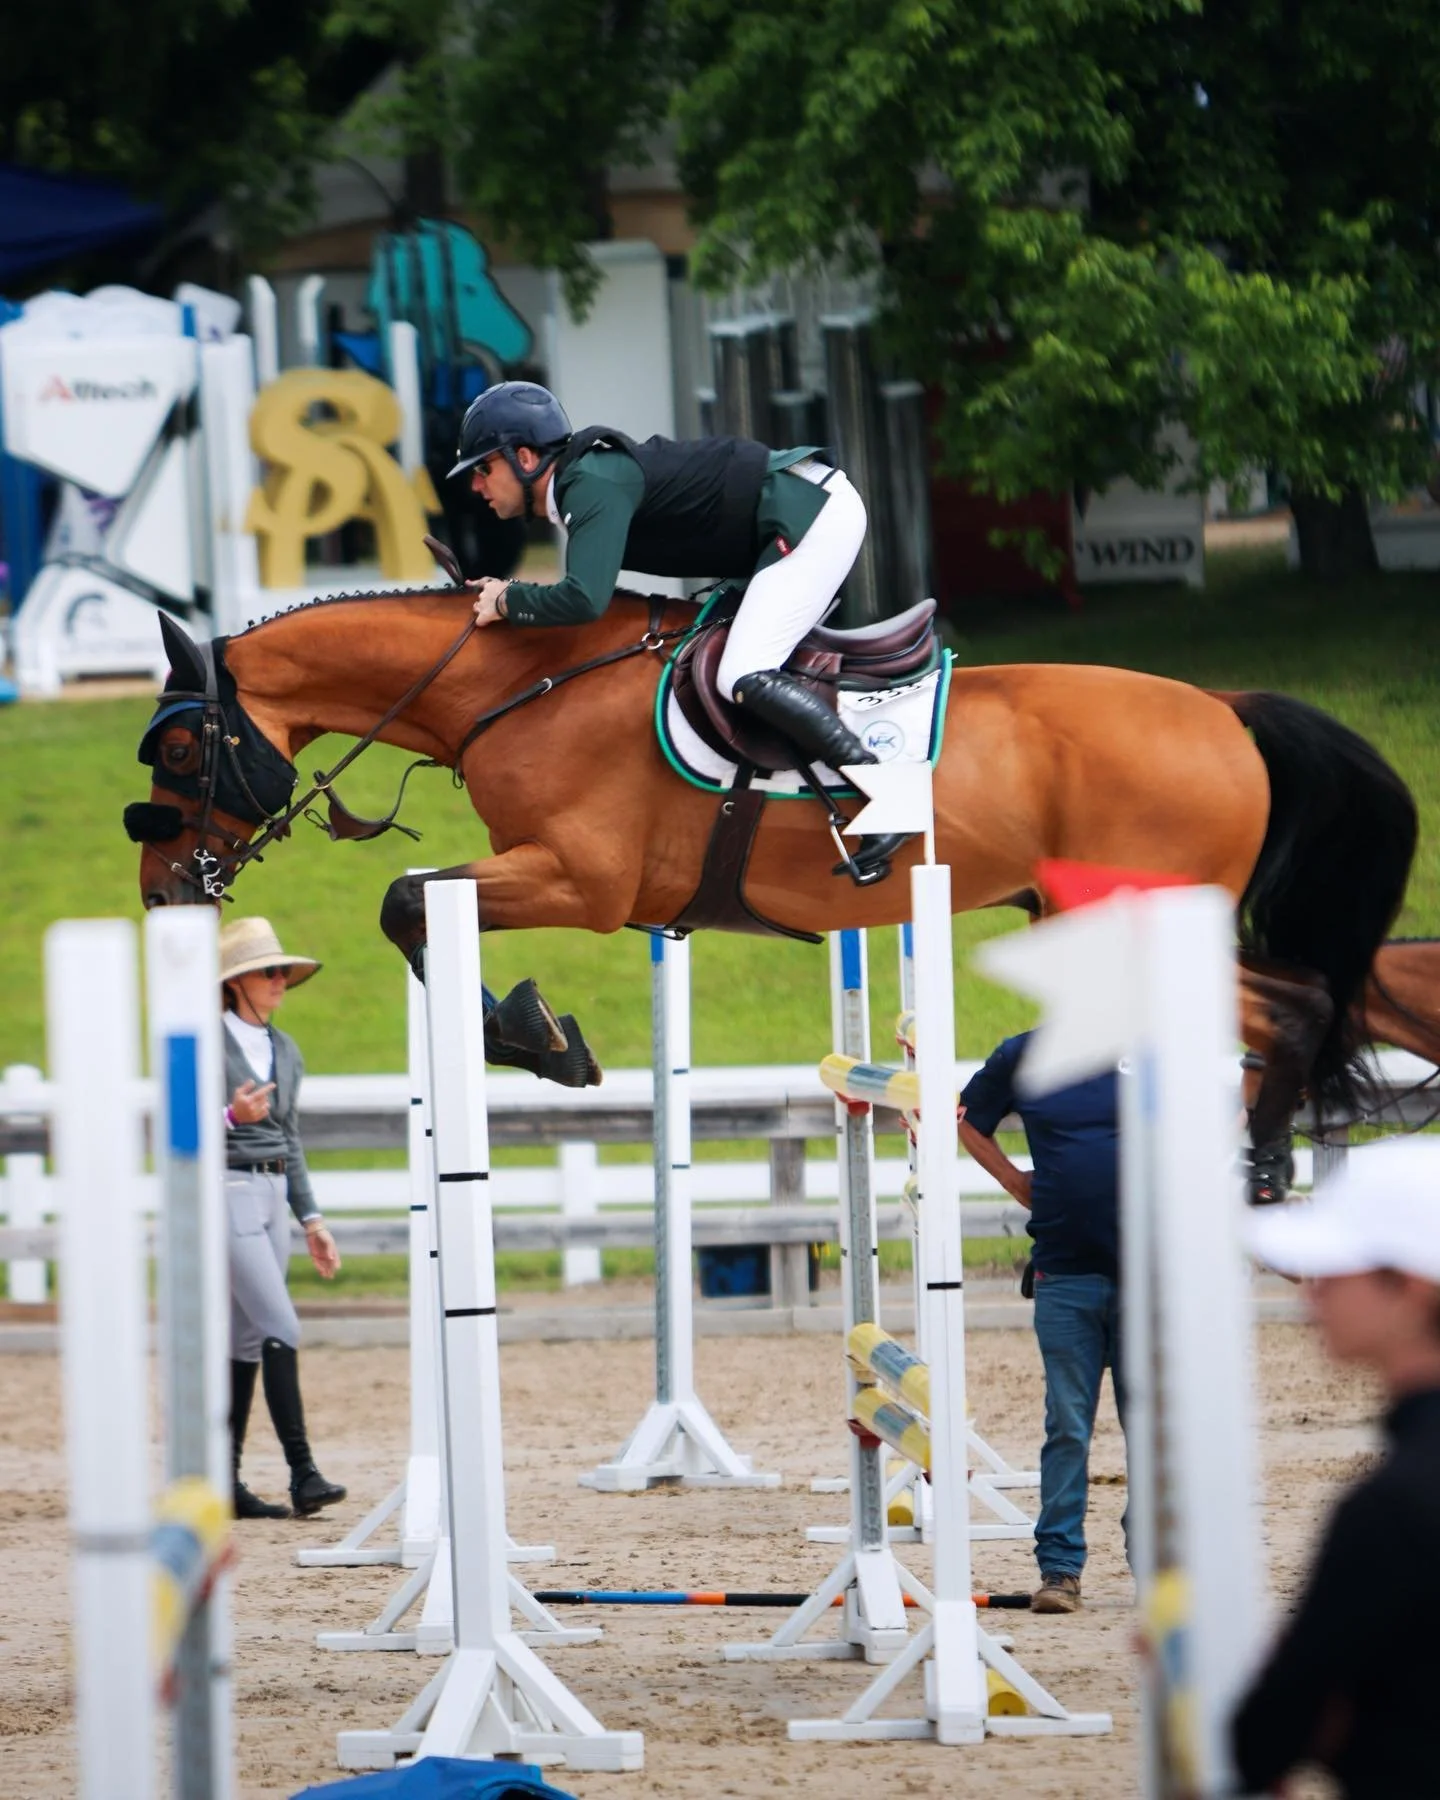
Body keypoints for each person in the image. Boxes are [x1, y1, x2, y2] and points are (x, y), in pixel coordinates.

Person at [448, 379, 911, 876]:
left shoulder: (589, 484)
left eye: (483, 468)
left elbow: (585, 598)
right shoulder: (583, 483)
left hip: (808, 514)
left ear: (524, 457)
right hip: (785, 515)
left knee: (742, 673)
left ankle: (890, 793)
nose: (477, 486)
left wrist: (509, 598)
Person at [1232, 1139, 1440, 1800]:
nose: (1309, 1295)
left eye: (1332, 1272)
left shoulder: (1391, 1509)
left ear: (1408, 1287)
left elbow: (1263, 1738)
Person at [957, 1029, 1126, 1613]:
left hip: (1151, 1273)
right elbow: (965, 1118)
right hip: (1063, 1272)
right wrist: (1012, 1178)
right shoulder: (1021, 1054)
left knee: (1153, 1427)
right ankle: (1059, 1569)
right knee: (1068, 1427)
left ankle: (1156, 1564)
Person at [220, 915, 347, 1522]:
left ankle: (227, 1482)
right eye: (268, 972)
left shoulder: (286, 1050)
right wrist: (229, 1118)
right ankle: (303, 1472)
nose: (279, 981)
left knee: (247, 1339)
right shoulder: (205, 1042)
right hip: (227, 1191)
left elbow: (291, 1139)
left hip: (273, 1197)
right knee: (282, 1326)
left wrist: (312, 1220)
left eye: (282, 972)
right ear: (237, 981)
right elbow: (178, 1123)